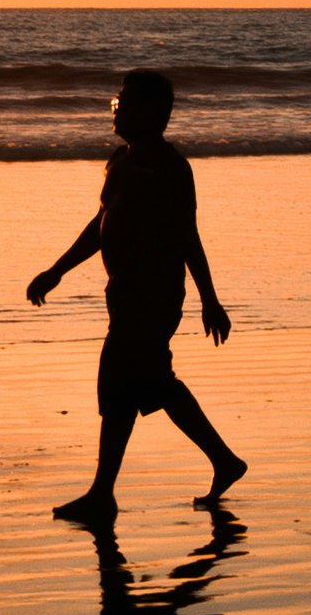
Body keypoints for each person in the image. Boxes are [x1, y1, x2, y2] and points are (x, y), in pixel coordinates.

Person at [26, 68, 247, 522]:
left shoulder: (171, 168)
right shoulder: (120, 161)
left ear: (151, 114)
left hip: (156, 296)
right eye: (115, 102)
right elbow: (101, 226)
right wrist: (57, 270)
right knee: (136, 387)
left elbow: (188, 236)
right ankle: (118, 488)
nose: (115, 109)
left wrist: (210, 299)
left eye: (123, 103)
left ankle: (111, 492)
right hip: (122, 293)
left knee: (133, 383)